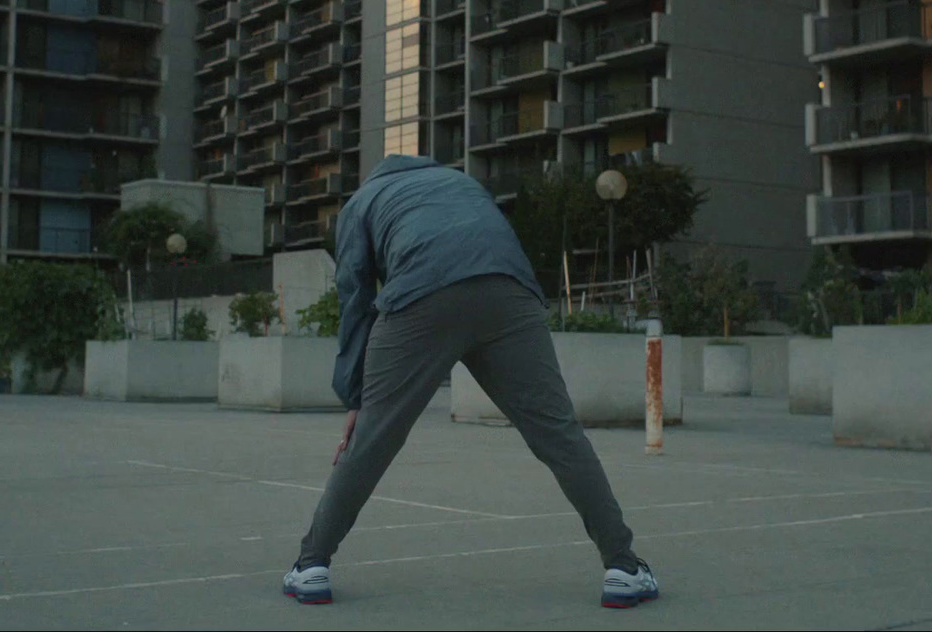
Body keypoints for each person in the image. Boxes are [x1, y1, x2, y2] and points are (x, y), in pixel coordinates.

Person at [282, 155, 658, 608]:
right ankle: (623, 567)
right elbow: (492, 240)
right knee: (559, 435)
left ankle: (311, 566)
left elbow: (355, 297)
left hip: (419, 294)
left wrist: (357, 398)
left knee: (372, 440)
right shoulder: (460, 182)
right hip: (509, 294)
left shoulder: (362, 202)